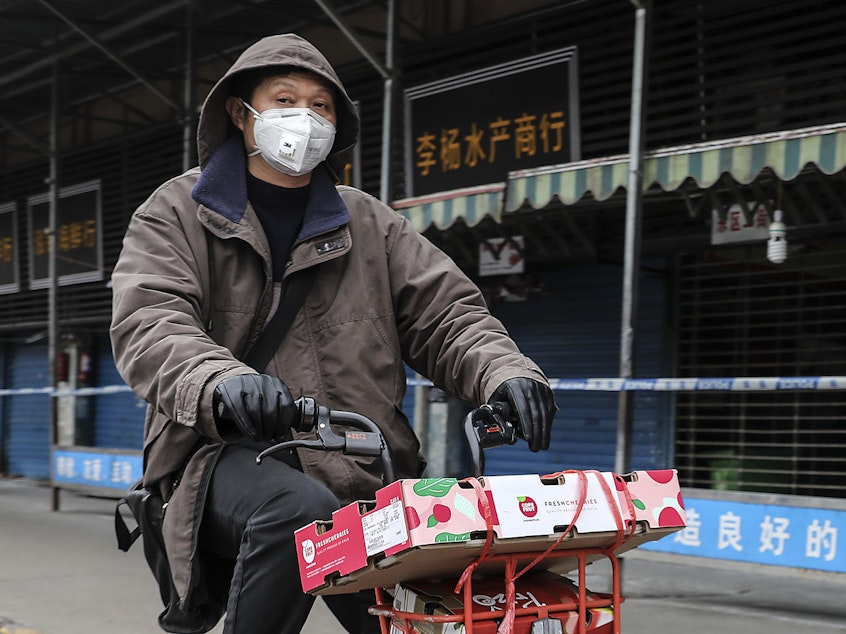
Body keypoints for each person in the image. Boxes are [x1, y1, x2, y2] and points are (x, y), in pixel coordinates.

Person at [109, 33, 557, 634]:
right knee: (300, 513)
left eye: (320, 106)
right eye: (285, 98)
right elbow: (150, 320)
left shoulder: (371, 223)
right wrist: (223, 381)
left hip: (361, 465)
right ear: (242, 115)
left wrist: (505, 372)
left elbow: (448, 315)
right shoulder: (176, 213)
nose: (305, 117)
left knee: (419, 614)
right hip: (220, 456)